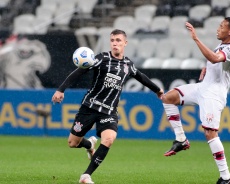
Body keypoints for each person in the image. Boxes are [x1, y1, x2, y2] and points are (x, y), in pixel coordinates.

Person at [51, 29, 164, 184]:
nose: (115, 43)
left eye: (118, 40)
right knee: (72, 143)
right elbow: (79, 72)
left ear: (125, 42)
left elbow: (141, 77)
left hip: (109, 111)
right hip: (89, 107)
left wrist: (157, 90)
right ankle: (89, 144)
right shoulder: (101, 58)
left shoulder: (128, 65)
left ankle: (86, 175)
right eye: (112, 40)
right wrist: (61, 89)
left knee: (109, 139)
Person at [161, 17, 230, 184]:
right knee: (168, 98)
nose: (218, 29)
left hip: (213, 94)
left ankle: (226, 178)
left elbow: (215, 58)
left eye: (221, 26)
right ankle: (181, 139)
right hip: (203, 87)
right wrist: (212, 67)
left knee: (210, 134)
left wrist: (196, 39)